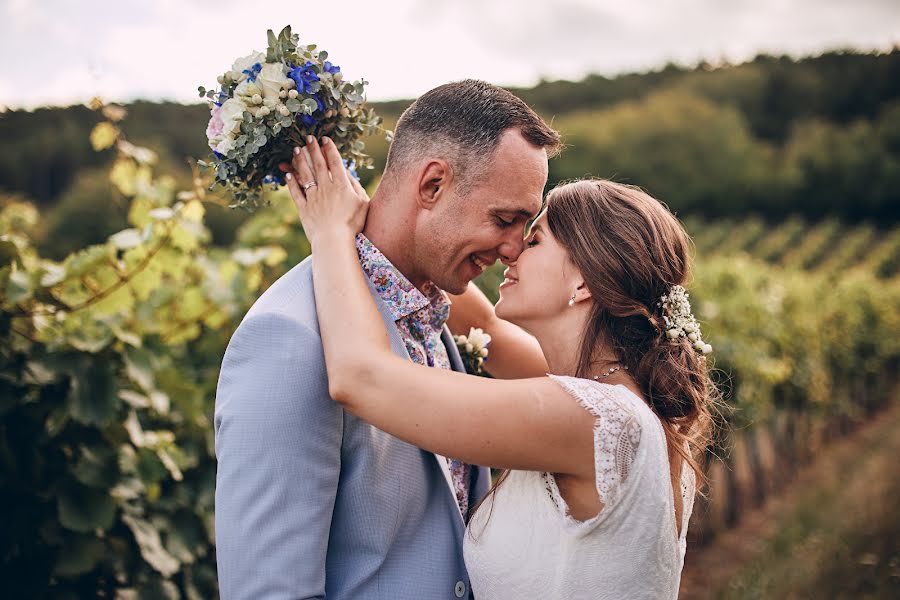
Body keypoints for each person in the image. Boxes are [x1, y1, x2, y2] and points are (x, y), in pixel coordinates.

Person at [282, 136, 717, 599]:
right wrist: (398, 210)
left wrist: (330, 232)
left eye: (534, 240)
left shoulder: (595, 420)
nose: (510, 252)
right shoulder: (617, 398)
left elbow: (361, 377)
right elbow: (484, 322)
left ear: (584, 280)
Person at [214, 80, 560, 599]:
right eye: (505, 219)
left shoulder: (439, 313)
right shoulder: (287, 338)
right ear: (433, 185)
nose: (515, 248)